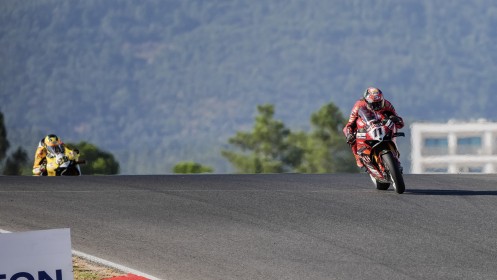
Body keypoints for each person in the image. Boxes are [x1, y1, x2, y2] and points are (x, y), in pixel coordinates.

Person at [342, 87, 404, 169]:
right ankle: (357, 156)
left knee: (392, 124)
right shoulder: (359, 105)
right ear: (367, 102)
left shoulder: (387, 104)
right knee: (349, 134)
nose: (378, 106)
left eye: (379, 103)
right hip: (366, 126)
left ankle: (394, 154)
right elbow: (349, 124)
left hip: (382, 125)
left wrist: (397, 120)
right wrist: (349, 134)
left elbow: (400, 123)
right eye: (374, 104)